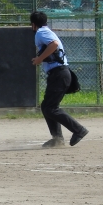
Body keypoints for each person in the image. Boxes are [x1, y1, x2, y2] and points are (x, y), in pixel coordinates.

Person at [31, 11, 88, 147]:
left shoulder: (41, 32)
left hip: (59, 74)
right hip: (59, 74)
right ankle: (57, 139)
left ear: (33, 24)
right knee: (47, 106)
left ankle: (78, 130)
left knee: (50, 108)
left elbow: (54, 44)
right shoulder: (46, 31)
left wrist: (39, 58)